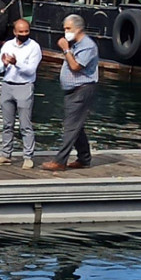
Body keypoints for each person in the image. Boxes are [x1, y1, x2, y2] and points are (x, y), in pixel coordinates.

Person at [41, 14, 99, 171]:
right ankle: (84, 158)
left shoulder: (88, 46)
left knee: (70, 126)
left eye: (68, 28)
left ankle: (60, 161)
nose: (65, 31)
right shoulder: (76, 44)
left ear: (78, 28)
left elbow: (75, 66)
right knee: (76, 126)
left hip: (82, 89)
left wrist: (65, 49)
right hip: (72, 90)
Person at [0, 19, 42, 169]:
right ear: (14, 32)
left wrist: (16, 62)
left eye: (26, 31)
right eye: (21, 32)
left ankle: (28, 156)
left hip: (24, 86)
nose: (24, 34)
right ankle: (6, 154)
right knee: (7, 124)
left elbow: (31, 70)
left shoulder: (34, 47)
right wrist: (4, 64)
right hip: (7, 85)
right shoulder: (7, 45)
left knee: (25, 125)